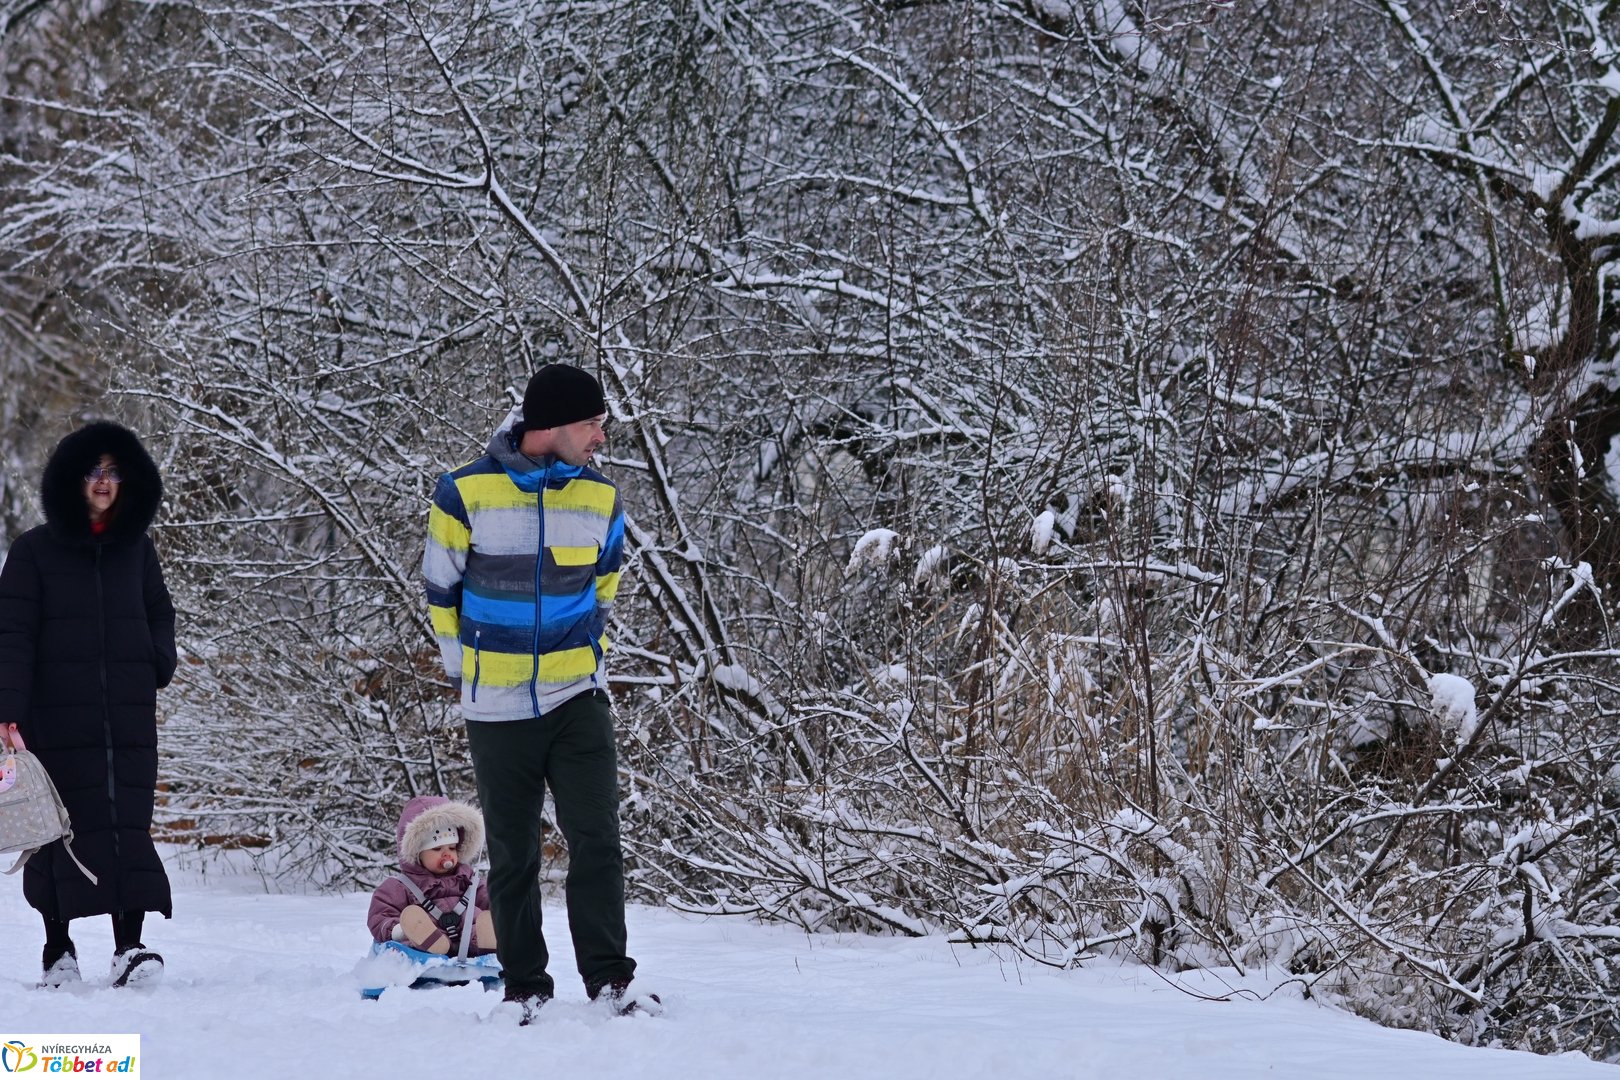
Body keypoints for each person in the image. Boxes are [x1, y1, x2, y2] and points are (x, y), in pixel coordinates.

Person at [423, 362, 652, 1023]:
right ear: (552, 425)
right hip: (495, 707)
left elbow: (604, 590)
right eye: (593, 424)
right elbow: (441, 591)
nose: (602, 437)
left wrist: (586, 659)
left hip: (577, 697)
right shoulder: (464, 492)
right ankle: (525, 988)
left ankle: (610, 982)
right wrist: (467, 674)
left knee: (598, 839)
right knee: (515, 854)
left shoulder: (602, 499)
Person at [0, 421, 177, 988]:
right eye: (94, 471)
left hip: (126, 717)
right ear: (72, 480)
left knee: (127, 825)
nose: (104, 481)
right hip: (54, 718)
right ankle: (58, 950)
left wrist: (156, 659)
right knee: (60, 830)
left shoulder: (137, 550)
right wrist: (8, 709)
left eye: (114, 471)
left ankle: (129, 948)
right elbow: (12, 634)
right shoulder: (33, 551)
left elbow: (160, 612)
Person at [367, 795, 496, 956]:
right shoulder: (401, 886)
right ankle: (429, 941)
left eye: (452, 848)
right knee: (417, 930)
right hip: (431, 934)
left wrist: (501, 906)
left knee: (482, 922)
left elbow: (489, 897)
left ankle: (488, 938)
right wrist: (399, 930)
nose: (447, 855)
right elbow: (380, 915)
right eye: (437, 849)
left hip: (469, 933)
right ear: (417, 853)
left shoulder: (468, 879)